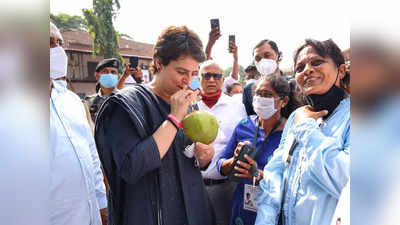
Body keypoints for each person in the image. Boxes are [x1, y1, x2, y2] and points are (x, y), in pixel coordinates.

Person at [94, 26, 215, 225]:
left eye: (194, 73)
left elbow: (185, 157)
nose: (188, 80)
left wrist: (203, 157)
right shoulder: (125, 105)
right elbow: (131, 168)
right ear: (159, 63)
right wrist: (174, 120)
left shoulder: (188, 106)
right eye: (181, 72)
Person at [255, 39, 350, 225]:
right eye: (300, 67)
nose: (307, 70)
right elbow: (275, 173)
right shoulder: (297, 117)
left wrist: (307, 129)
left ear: (341, 71)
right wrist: (265, 220)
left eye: (316, 62)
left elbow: (348, 183)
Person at [217, 73, 300, 225]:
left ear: (284, 101)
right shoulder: (244, 125)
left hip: (275, 212)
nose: (261, 98)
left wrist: (259, 176)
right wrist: (234, 161)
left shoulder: (293, 132)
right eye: (258, 94)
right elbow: (221, 166)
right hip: (243, 209)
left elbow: (297, 182)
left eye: (267, 95)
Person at [49, 22, 107, 225]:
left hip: (87, 215)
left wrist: (101, 204)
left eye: (59, 43)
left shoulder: (71, 101)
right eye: (48, 43)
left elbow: (91, 156)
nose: (57, 50)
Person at [197, 60, 247, 225]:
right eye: (206, 75)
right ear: (199, 77)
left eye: (216, 76)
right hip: (193, 187)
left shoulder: (237, 106)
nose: (211, 80)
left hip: (225, 186)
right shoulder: (189, 104)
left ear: (223, 79)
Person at [85, 58, 142, 123]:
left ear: (118, 77)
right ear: (97, 75)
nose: (109, 74)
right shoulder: (88, 102)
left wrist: (138, 79)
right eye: (105, 71)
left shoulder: (126, 100)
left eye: (113, 72)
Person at [242, 39, 285, 116]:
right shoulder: (248, 90)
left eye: (267, 55)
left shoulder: (293, 85)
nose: (263, 61)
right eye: (258, 58)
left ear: (278, 55)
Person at [205, 26, 240, 94]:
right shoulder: (203, 81)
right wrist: (210, 42)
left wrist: (235, 58)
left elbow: (234, 77)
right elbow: (206, 60)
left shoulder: (223, 83)